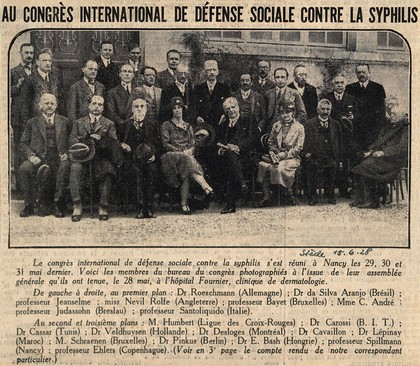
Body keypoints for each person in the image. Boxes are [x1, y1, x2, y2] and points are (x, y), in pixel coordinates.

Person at [69, 95, 123, 222]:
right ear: (89, 106)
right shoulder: (79, 123)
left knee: (108, 169)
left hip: (100, 157)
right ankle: (77, 205)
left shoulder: (109, 124)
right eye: (94, 104)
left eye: (100, 104)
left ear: (103, 108)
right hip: (82, 157)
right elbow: (72, 140)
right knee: (75, 168)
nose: (97, 107)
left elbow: (114, 143)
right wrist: (87, 139)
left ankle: (103, 206)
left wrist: (102, 140)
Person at [18, 93, 71, 218]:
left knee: (64, 167)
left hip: (58, 157)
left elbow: (72, 141)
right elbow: (23, 143)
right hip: (39, 157)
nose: (49, 106)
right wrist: (31, 156)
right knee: (24, 168)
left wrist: (67, 154)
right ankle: (29, 205)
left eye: (52, 103)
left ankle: (57, 204)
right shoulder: (32, 122)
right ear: (40, 105)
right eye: (46, 103)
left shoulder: (65, 121)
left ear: (56, 105)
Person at [160, 97, 214, 215]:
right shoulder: (166, 125)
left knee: (186, 169)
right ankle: (204, 185)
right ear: (171, 111)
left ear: (183, 109)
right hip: (171, 157)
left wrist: (190, 151)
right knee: (186, 161)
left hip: (186, 157)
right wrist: (180, 151)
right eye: (174, 108)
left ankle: (184, 204)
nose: (177, 110)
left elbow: (192, 143)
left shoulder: (188, 126)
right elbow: (165, 143)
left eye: (179, 108)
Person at [350, 106, 408, 209]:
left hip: (393, 160)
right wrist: (371, 151)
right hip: (382, 158)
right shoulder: (389, 127)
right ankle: (362, 198)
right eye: (391, 114)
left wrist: (383, 152)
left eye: (394, 114)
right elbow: (379, 142)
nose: (391, 116)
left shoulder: (406, 129)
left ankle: (372, 200)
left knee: (365, 166)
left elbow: (402, 147)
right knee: (358, 160)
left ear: (401, 115)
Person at [256, 99, 305, 207]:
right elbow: (271, 141)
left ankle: (288, 193)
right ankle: (267, 195)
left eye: (287, 112)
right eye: (282, 112)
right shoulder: (276, 125)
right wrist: (275, 151)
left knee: (278, 168)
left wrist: (284, 155)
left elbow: (298, 147)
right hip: (276, 156)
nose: (285, 115)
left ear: (293, 112)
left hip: (291, 157)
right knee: (263, 165)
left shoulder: (299, 128)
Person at [215, 97, 257, 214]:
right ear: (225, 112)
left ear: (238, 107)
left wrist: (238, 147)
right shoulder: (223, 125)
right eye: (228, 109)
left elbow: (253, 139)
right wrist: (221, 150)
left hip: (247, 157)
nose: (231, 110)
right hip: (229, 159)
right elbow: (218, 142)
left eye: (233, 107)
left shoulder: (248, 120)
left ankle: (231, 203)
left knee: (231, 163)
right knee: (229, 157)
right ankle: (242, 183)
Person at [121, 98, 160, 218]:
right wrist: (122, 144)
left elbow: (158, 144)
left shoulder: (152, 125)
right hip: (131, 158)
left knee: (151, 171)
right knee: (135, 173)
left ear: (146, 109)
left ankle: (149, 207)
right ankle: (140, 207)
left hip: (148, 158)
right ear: (132, 109)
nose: (139, 109)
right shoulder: (125, 125)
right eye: (136, 106)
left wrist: (154, 154)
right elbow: (119, 141)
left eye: (142, 106)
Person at [323, 73, 360, 198]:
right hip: (331, 137)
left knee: (344, 163)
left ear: (345, 85)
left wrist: (353, 117)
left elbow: (358, 116)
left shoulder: (352, 99)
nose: (339, 85)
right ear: (333, 85)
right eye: (337, 83)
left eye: (341, 83)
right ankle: (329, 191)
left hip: (346, 138)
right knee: (332, 163)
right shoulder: (326, 98)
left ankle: (344, 190)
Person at [303, 99, 342, 205]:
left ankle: (330, 195)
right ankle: (312, 196)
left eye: (328, 109)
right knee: (311, 167)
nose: (325, 111)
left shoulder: (335, 124)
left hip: (330, 155)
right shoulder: (309, 124)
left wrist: (338, 157)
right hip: (315, 155)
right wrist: (307, 153)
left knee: (333, 166)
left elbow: (338, 142)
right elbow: (305, 141)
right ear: (317, 110)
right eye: (323, 109)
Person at [11, 43, 36, 190]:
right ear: (20, 53)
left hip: (33, 116)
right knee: (20, 148)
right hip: (20, 117)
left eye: (32, 53)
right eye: (26, 53)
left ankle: (33, 183)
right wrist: (16, 87)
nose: (29, 56)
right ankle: (20, 185)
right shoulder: (14, 72)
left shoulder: (37, 71)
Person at [345, 63, 386, 151]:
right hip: (356, 131)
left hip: (372, 130)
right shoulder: (350, 88)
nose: (361, 74)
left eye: (364, 72)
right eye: (359, 72)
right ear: (356, 74)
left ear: (369, 72)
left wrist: (377, 131)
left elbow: (382, 112)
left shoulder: (378, 88)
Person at [20, 50, 62, 124]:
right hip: (36, 122)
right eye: (44, 60)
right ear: (38, 62)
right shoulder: (30, 80)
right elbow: (24, 105)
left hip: (53, 121)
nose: (47, 63)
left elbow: (60, 100)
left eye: (49, 61)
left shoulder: (55, 80)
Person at [264, 67, 306, 133]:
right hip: (271, 131)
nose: (280, 80)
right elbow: (264, 114)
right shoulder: (268, 94)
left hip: (289, 131)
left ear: (287, 78)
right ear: (274, 78)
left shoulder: (294, 93)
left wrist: (293, 127)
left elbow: (302, 114)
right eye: (277, 77)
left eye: (282, 77)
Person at [67, 60, 105, 125]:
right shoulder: (75, 87)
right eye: (90, 69)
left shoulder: (101, 87)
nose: (93, 71)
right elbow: (72, 112)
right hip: (82, 126)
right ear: (83, 69)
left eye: (95, 70)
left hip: (98, 125)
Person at [195, 60, 230, 128]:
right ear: (205, 72)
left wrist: (225, 115)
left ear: (218, 72)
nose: (212, 72)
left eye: (214, 70)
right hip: (203, 125)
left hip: (220, 124)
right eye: (209, 70)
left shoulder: (224, 88)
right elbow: (193, 106)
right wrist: (197, 117)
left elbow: (229, 104)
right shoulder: (198, 89)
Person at [105, 63, 137, 137]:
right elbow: (111, 113)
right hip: (119, 129)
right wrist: (123, 123)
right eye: (124, 71)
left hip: (135, 129)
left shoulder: (138, 91)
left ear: (133, 75)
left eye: (129, 72)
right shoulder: (112, 92)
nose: (127, 74)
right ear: (120, 74)